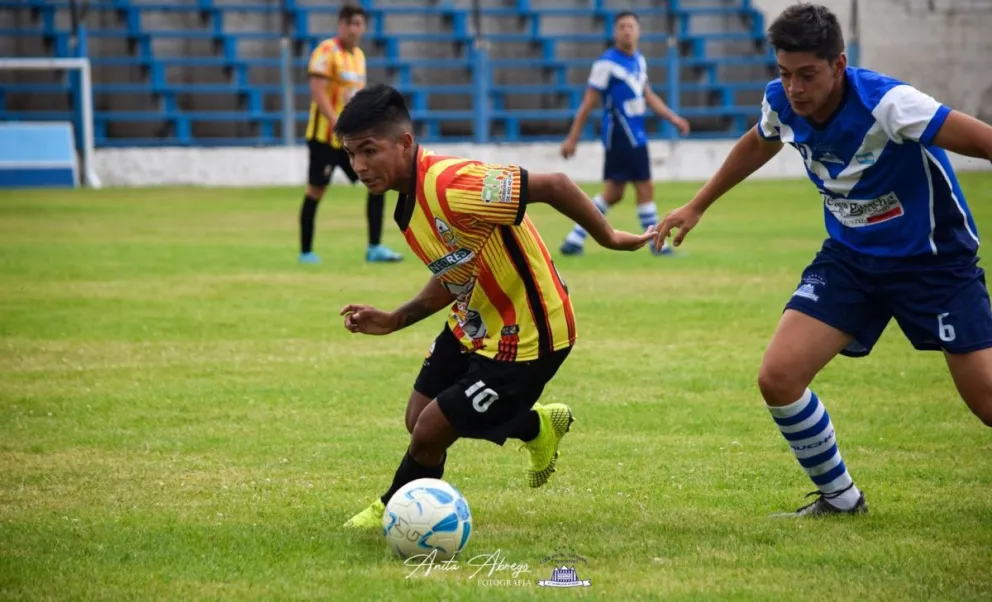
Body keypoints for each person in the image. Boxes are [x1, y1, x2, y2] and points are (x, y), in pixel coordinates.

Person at [653, 3, 992, 517]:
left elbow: (983, 141)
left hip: (934, 263)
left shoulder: (891, 104)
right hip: (851, 260)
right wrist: (698, 204)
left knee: (985, 402)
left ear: (838, 64)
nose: (794, 89)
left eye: (807, 75)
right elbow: (758, 142)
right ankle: (841, 500)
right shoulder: (782, 103)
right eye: (785, 75)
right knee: (779, 376)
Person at [333, 84, 654, 530]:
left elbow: (555, 185)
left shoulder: (453, 184)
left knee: (429, 432)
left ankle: (396, 511)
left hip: (528, 337)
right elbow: (456, 273)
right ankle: (536, 427)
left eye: (369, 151)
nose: (359, 166)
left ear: (404, 142)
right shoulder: (406, 206)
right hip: (474, 322)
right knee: (417, 420)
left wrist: (610, 237)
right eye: (351, 154)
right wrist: (395, 318)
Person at [558, 10, 691, 258]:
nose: (627, 30)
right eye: (622, 26)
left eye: (631, 26)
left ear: (639, 31)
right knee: (644, 188)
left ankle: (574, 240)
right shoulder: (606, 64)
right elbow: (588, 102)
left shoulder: (639, 60)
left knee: (614, 192)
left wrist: (672, 117)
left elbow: (647, 95)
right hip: (621, 134)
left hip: (636, 133)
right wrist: (573, 137)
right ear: (615, 32)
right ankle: (656, 246)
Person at [299, 4, 403, 264]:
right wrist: (337, 124)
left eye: (359, 24)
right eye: (350, 24)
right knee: (316, 191)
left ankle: (375, 247)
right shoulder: (326, 51)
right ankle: (306, 252)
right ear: (341, 25)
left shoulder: (358, 56)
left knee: (377, 181)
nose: (355, 29)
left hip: (351, 140)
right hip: (325, 137)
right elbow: (318, 91)